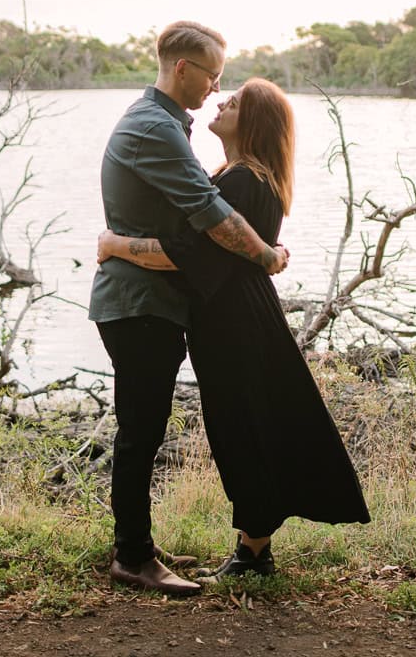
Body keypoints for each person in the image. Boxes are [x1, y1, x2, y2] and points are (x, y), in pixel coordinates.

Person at [98, 77, 370, 581]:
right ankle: (254, 547)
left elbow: (184, 257)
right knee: (248, 424)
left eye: (237, 100)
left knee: (242, 429)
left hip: (235, 323)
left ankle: (253, 553)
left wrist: (115, 244)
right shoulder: (240, 177)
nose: (222, 100)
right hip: (238, 317)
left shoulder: (243, 181)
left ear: (255, 123)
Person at [90, 21, 290, 598]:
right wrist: (268, 256)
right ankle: (131, 557)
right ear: (184, 69)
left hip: (152, 302)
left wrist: (118, 244)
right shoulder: (155, 126)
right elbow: (212, 218)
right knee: (141, 431)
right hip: (138, 304)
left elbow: (191, 227)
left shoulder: (167, 124)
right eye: (212, 76)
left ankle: (137, 543)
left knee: (144, 428)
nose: (215, 87)